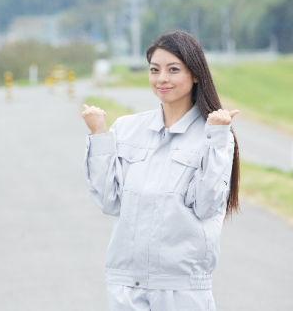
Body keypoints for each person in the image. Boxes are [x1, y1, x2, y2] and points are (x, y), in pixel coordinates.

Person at [81, 30, 240, 311]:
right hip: (126, 284)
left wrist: (216, 138)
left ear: (195, 75)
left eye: (173, 69)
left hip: (181, 288)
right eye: (155, 70)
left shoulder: (213, 134)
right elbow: (108, 201)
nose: (162, 78)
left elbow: (206, 206)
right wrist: (98, 135)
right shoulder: (127, 129)